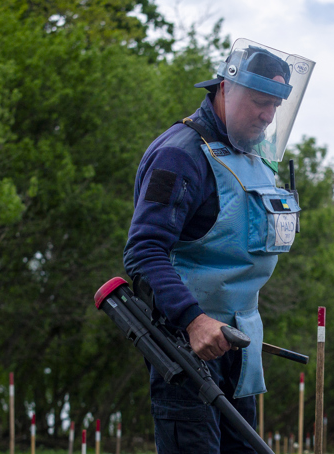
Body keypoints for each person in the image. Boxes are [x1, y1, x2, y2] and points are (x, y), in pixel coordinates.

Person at [122, 39, 315, 454]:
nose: (267, 116)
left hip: (240, 349)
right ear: (225, 89)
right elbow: (143, 251)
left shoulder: (254, 157)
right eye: (260, 102)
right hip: (186, 348)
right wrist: (194, 320)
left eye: (276, 106)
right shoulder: (179, 156)